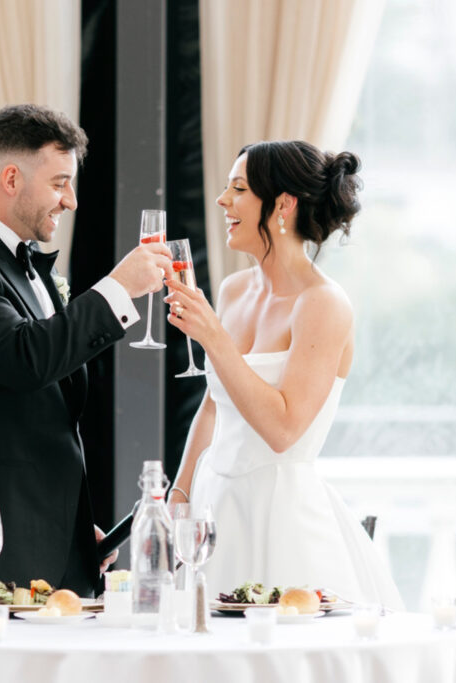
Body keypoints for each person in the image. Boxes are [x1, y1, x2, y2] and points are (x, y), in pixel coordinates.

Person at [0, 104, 171, 598]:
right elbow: (27, 360)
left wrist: (67, 526)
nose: (70, 201)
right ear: (10, 178)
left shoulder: (15, 263)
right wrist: (117, 288)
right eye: (59, 183)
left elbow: (43, 408)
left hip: (44, 542)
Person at [164, 140, 403, 609]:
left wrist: (213, 337)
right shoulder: (233, 291)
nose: (222, 201)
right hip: (215, 510)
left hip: (280, 515)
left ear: (283, 205)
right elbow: (214, 404)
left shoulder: (323, 304)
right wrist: (182, 488)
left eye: (238, 189)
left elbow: (284, 430)